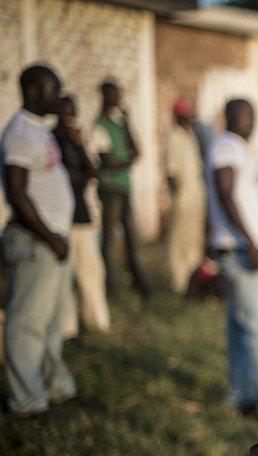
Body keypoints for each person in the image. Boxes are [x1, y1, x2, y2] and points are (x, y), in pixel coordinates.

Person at [0, 65, 77, 416]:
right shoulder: (19, 133)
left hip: (52, 242)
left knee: (50, 323)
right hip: (35, 242)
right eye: (51, 91)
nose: (57, 98)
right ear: (32, 91)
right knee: (27, 323)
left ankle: (53, 388)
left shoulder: (39, 131)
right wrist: (50, 237)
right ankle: (27, 401)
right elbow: (17, 194)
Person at [207, 98, 258, 415]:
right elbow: (225, 193)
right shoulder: (227, 146)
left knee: (241, 328)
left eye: (252, 114)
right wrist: (251, 241)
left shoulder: (237, 147)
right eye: (241, 114)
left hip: (240, 248)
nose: (248, 120)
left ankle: (241, 396)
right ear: (228, 118)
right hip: (241, 252)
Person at [53, 95, 110, 333]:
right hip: (60, 220)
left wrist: (80, 145)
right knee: (63, 280)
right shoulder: (51, 140)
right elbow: (63, 177)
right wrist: (77, 177)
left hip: (82, 216)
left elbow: (92, 173)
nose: (70, 118)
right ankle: (67, 328)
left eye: (73, 113)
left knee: (92, 272)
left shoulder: (77, 141)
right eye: (66, 113)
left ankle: (97, 321)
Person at [92, 79, 150, 298]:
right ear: (106, 95)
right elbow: (108, 163)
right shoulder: (99, 126)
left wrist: (127, 124)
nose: (119, 98)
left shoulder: (119, 125)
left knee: (131, 239)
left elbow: (137, 150)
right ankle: (110, 289)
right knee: (108, 241)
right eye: (114, 94)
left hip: (124, 188)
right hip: (109, 189)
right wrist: (128, 160)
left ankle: (141, 286)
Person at [164, 98, 206, 294]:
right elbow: (171, 173)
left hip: (196, 196)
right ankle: (179, 283)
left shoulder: (190, 135)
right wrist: (177, 197)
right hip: (183, 198)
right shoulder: (173, 138)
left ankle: (193, 282)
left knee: (194, 240)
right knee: (179, 242)